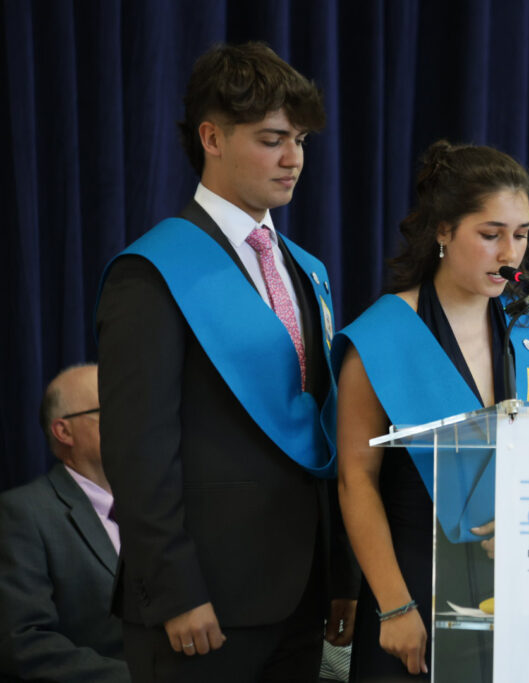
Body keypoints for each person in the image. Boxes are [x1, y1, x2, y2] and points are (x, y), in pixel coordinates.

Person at [95, 42, 357, 682]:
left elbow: (324, 430)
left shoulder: (306, 269)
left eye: (300, 140)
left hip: (303, 596)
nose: (293, 159)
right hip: (202, 602)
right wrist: (174, 590)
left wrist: (341, 575)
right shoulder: (151, 272)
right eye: (272, 139)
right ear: (211, 138)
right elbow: (138, 449)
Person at [334, 140, 529, 679]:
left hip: (521, 588)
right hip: (414, 582)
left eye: (521, 235)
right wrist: (394, 605)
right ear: (443, 230)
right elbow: (355, 480)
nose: (509, 254)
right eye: (490, 235)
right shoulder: (383, 335)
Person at [0, 364, 129, 682]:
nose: (130, 419)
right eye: (108, 408)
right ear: (64, 432)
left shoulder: (156, 508)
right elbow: (24, 643)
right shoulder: (24, 513)